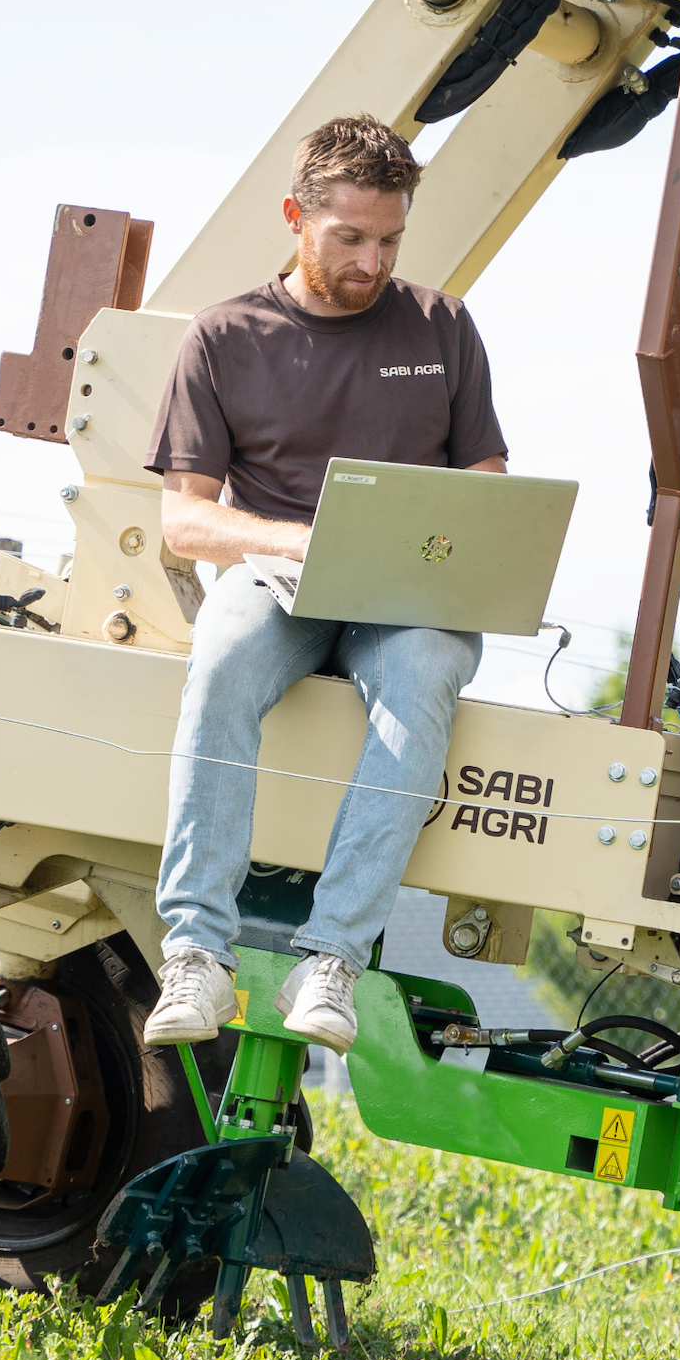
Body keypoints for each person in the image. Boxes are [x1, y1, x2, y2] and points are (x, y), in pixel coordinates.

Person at [140, 114, 509, 1055]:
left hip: (406, 601)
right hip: (278, 585)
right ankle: (195, 953)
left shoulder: (443, 326)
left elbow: (488, 492)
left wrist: (447, 549)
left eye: (389, 240)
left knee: (427, 673)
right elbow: (185, 521)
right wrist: (304, 542)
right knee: (219, 660)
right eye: (349, 237)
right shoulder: (224, 338)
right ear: (296, 216)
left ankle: (332, 958)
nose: (371, 260)